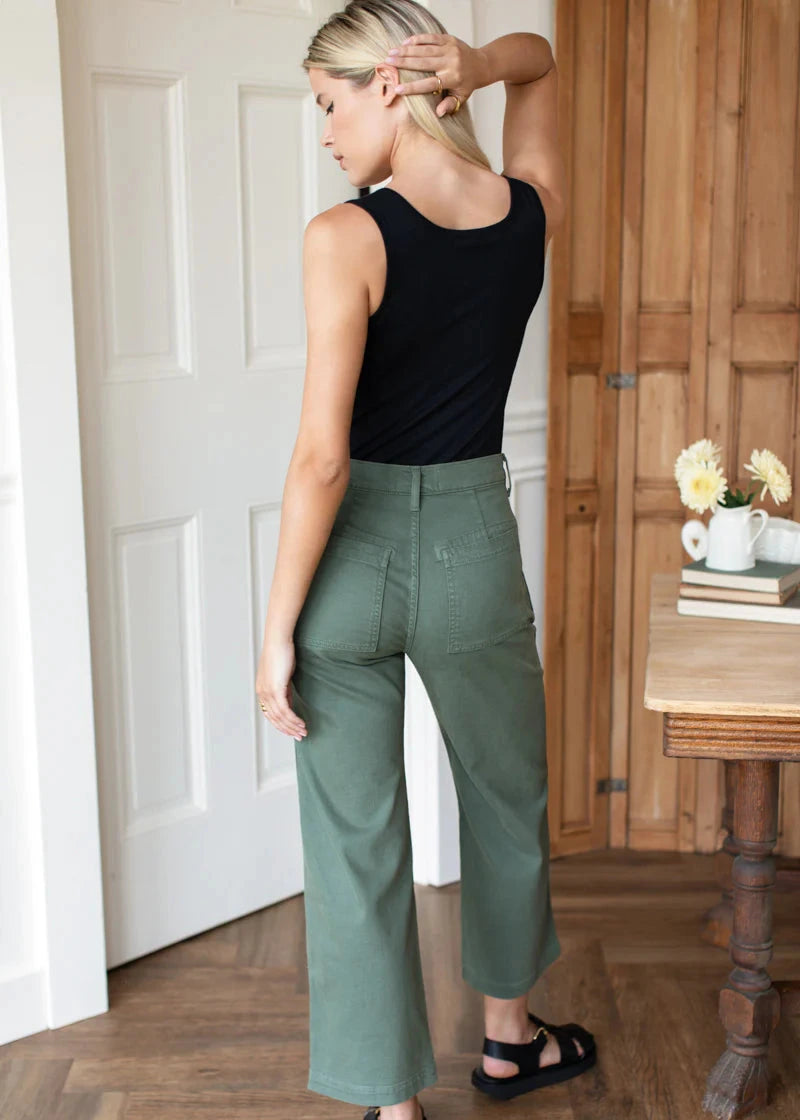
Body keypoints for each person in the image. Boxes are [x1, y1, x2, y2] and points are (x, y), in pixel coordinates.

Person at [255, 3, 596, 1118]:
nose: (323, 133)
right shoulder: (525, 216)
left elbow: (319, 459)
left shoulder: (341, 236)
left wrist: (276, 627)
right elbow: (541, 69)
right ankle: (508, 1040)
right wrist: (484, 65)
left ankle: (386, 1101)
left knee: (357, 841)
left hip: (348, 567)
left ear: (389, 86)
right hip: (469, 552)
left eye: (327, 103)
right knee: (505, 798)